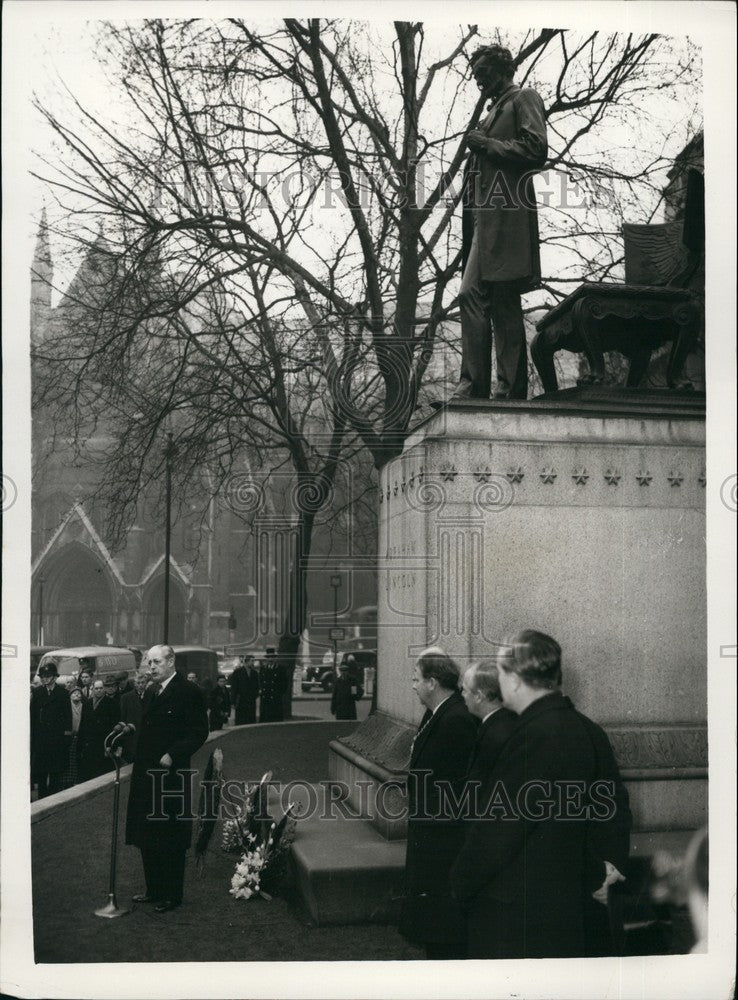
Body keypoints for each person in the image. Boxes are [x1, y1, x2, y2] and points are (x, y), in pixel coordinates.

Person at [450, 630, 630, 959]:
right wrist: (605, 872)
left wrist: (460, 884)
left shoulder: (530, 736)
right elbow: (613, 811)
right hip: (567, 909)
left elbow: (498, 833)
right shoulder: (586, 731)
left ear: (516, 680)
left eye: (502, 672)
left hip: (516, 917)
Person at [450, 44, 547, 402]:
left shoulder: (524, 98)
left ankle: (487, 389)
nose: (478, 81)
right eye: (475, 76)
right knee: (488, 298)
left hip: (507, 218)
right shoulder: (492, 112)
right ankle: (494, 389)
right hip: (482, 222)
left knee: (484, 296)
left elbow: (536, 150)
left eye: (482, 74)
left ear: (501, 69)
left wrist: (488, 144)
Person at [398, 647, 477, 960]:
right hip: (431, 834)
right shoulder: (438, 714)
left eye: (417, 679)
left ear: (432, 682)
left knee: (445, 930)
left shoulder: (455, 719)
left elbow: (460, 786)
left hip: (443, 841)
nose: (413, 685)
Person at [124, 644, 208, 913]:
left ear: (171, 661)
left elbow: (199, 732)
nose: (151, 668)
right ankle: (154, 889)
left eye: (156, 662)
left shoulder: (189, 691)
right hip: (146, 773)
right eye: (149, 663)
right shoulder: (150, 691)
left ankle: (172, 895)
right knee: (147, 832)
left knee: (170, 835)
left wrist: (174, 754)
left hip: (172, 775)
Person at [459, 659, 517, 784]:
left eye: (464, 690)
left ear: (479, 696)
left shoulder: (495, 735)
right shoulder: (504, 722)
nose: (462, 695)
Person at [30, 662, 72, 798]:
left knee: (55, 773)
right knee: (41, 773)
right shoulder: (37, 693)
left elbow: (67, 718)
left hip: (56, 740)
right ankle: (42, 799)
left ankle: (53, 799)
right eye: (43, 676)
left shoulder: (63, 694)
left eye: (48, 676)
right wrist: (33, 739)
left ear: (55, 677)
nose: (45, 679)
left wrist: (66, 738)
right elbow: (33, 717)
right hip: (41, 740)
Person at [80, 678, 119, 781]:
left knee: (102, 774)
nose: (99, 690)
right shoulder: (87, 703)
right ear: (93, 689)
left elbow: (114, 726)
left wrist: (111, 745)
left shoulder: (112, 703)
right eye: (96, 688)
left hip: (103, 744)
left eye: (101, 688)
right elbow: (83, 724)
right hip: (89, 745)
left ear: (104, 689)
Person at [62, 685, 91, 789]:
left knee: (75, 759)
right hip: (68, 736)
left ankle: (74, 780)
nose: (77, 695)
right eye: (74, 693)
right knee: (67, 759)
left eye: (79, 693)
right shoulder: (67, 707)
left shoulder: (84, 706)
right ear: (70, 695)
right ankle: (65, 781)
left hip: (79, 736)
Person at [119, 669, 150, 763]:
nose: (141, 685)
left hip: (146, 737)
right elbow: (122, 719)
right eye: (138, 683)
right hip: (132, 738)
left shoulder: (151, 696)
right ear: (134, 684)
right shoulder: (126, 698)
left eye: (143, 683)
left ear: (146, 683)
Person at [259, 647, 287, 723]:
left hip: (275, 699)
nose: (270, 660)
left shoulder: (280, 669)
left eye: (272, 657)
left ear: (275, 658)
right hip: (265, 699)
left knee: (275, 721)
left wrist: (278, 693)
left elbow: (284, 684)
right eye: (269, 657)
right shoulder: (263, 669)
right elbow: (260, 681)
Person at [230, 655, 260, 725]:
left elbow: (257, 686)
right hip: (241, 699)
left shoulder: (254, 673)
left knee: (250, 719)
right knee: (241, 719)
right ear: (247, 661)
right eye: (251, 661)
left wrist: (254, 695)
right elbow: (234, 687)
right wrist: (233, 702)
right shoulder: (237, 672)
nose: (253, 663)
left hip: (251, 700)